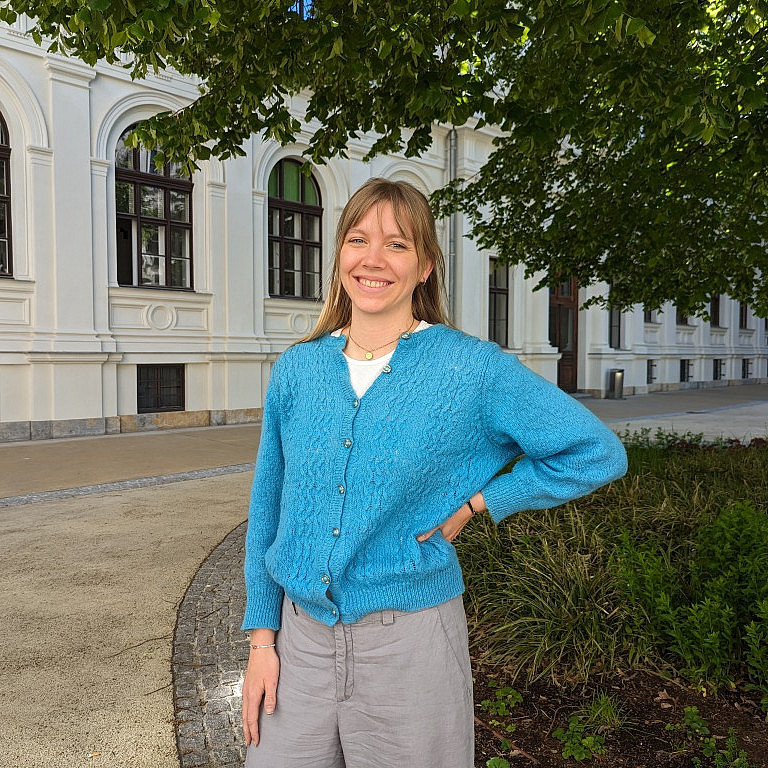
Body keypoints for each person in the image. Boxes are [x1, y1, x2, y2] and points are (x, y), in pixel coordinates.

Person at [240, 178, 628, 768]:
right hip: (299, 647)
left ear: (425, 266)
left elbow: (595, 451)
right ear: (338, 254)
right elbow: (268, 506)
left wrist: (483, 502)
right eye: (357, 239)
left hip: (410, 644)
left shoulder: (469, 369)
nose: (373, 259)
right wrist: (261, 641)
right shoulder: (299, 368)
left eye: (397, 245)